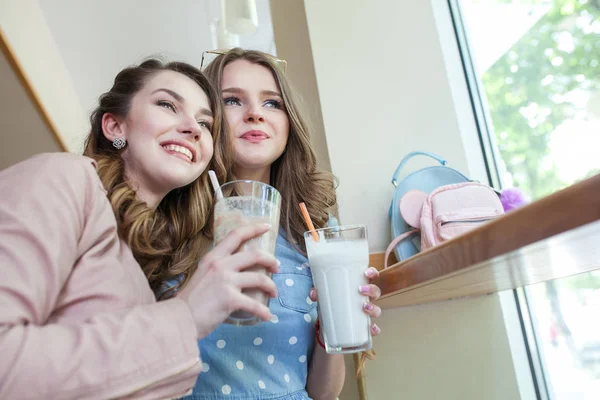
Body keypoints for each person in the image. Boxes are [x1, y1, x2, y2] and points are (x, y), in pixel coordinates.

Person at [0, 59, 279, 399]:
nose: (193, 127)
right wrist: (185, 318)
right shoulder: (62, 178)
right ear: (115, 126)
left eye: (206, 124)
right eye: (167, 105)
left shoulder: (147, 264)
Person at [176, 48, 383, 400]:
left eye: (272, 103)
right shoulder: (174, 218)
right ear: (206, 118)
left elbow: (324, 394)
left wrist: (333, 328)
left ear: (289, 123)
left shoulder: (315, 228)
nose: (256, 114)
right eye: (233, 101)